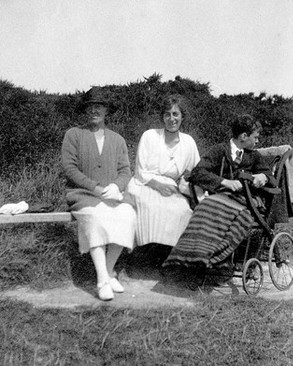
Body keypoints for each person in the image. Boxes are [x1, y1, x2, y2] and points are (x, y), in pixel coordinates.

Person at [163, 114, 275, 270]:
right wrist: (224, 182)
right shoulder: (219, 150)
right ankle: (189, 258)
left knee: (234, 215)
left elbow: (271, 178)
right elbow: (197, 173)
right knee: (205, 208)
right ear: (243, 136)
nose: (257, 141)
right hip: (220, 197)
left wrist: (263, 176)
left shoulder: (254, 156)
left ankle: (216, 259)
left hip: (245, 200)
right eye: (255, 137)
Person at [61, 87, 136, 301]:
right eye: (90, 106)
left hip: (112, 194)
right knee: (96, 217)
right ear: (85, 110)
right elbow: (70, 169)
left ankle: (108, 270)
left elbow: (125, 171)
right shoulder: (73, 135)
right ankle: (103, 279)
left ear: (106, 110)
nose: (94, 110)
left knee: (127, 216)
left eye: (99, 106)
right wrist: (96, 188)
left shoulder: (117, 140)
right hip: (83, 194)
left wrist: (117, 186)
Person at [127, 94, 200, 248]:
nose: (171, 119)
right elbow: (139, 171)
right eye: (167, 114)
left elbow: (198, 171)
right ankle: (143, 253)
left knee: (181, 211)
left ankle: (167, 254)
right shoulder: (149, 136)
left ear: (182, 117)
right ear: (162, 117)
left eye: (175, 114)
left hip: (170, 187)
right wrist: (158, 186)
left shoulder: (188, 142)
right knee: (150, 207)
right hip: (144, 184)